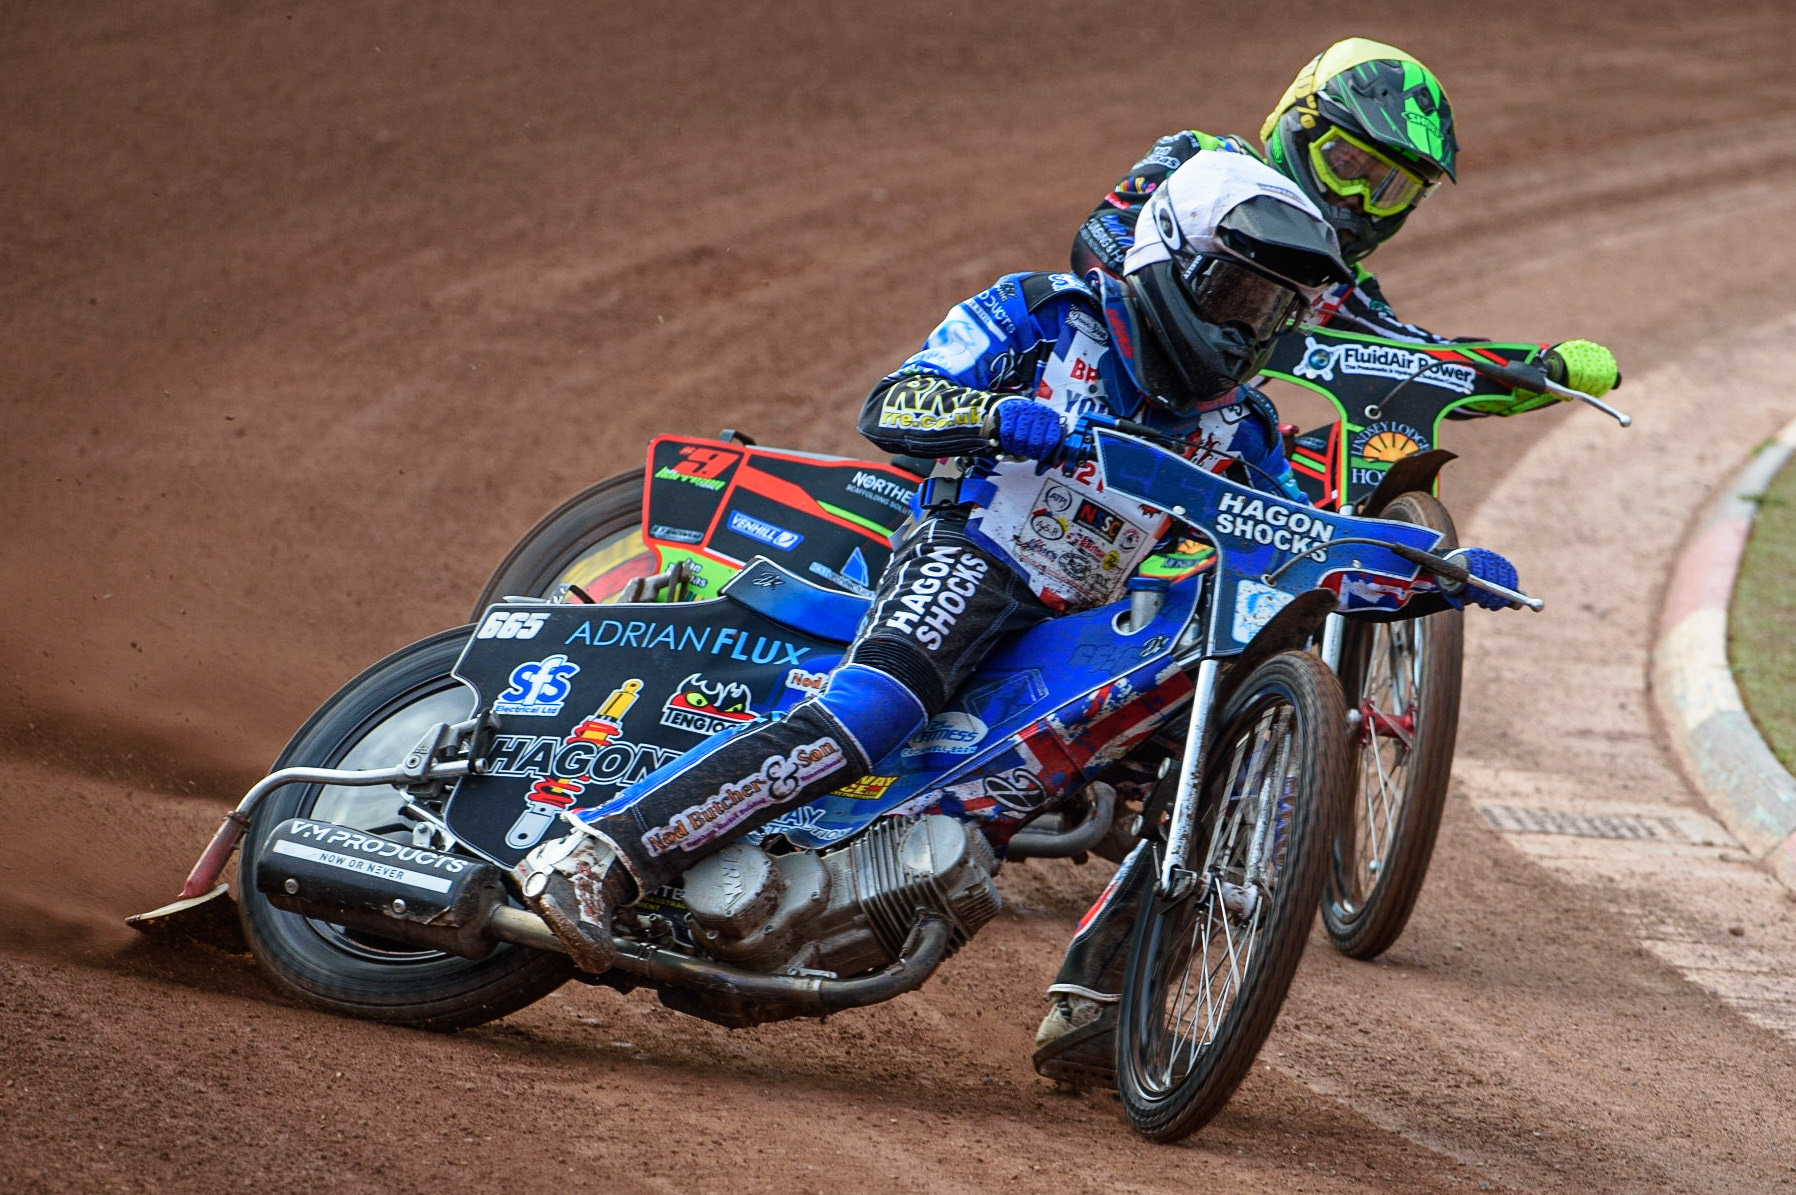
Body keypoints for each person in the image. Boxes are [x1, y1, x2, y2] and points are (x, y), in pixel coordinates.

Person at [512, 151, 1524, 983]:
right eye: (1235, 291)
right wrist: (992, 418)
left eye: (1271, 311)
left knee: (1194, 745)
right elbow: (893, 404)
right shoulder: (1041, 313)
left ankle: (1101, 998)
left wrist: (1417, 566)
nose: (1244, 327)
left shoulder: (1241, 423)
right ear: (1170, 256)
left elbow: (1288, 536)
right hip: (970, 552)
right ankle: (599, 849)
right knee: (875, 711)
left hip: (1076, 620)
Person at [1071, 37, 1619, 417]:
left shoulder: (1334, 284)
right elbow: (1103, 231)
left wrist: (1544, 368)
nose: (1356, 199)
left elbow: (1419, 363)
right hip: (1068, 376)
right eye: (1348, 166)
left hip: (1195, 434)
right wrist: (1186, 319)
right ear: (1298, 129)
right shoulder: (1203, 162)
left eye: (1387, 190)